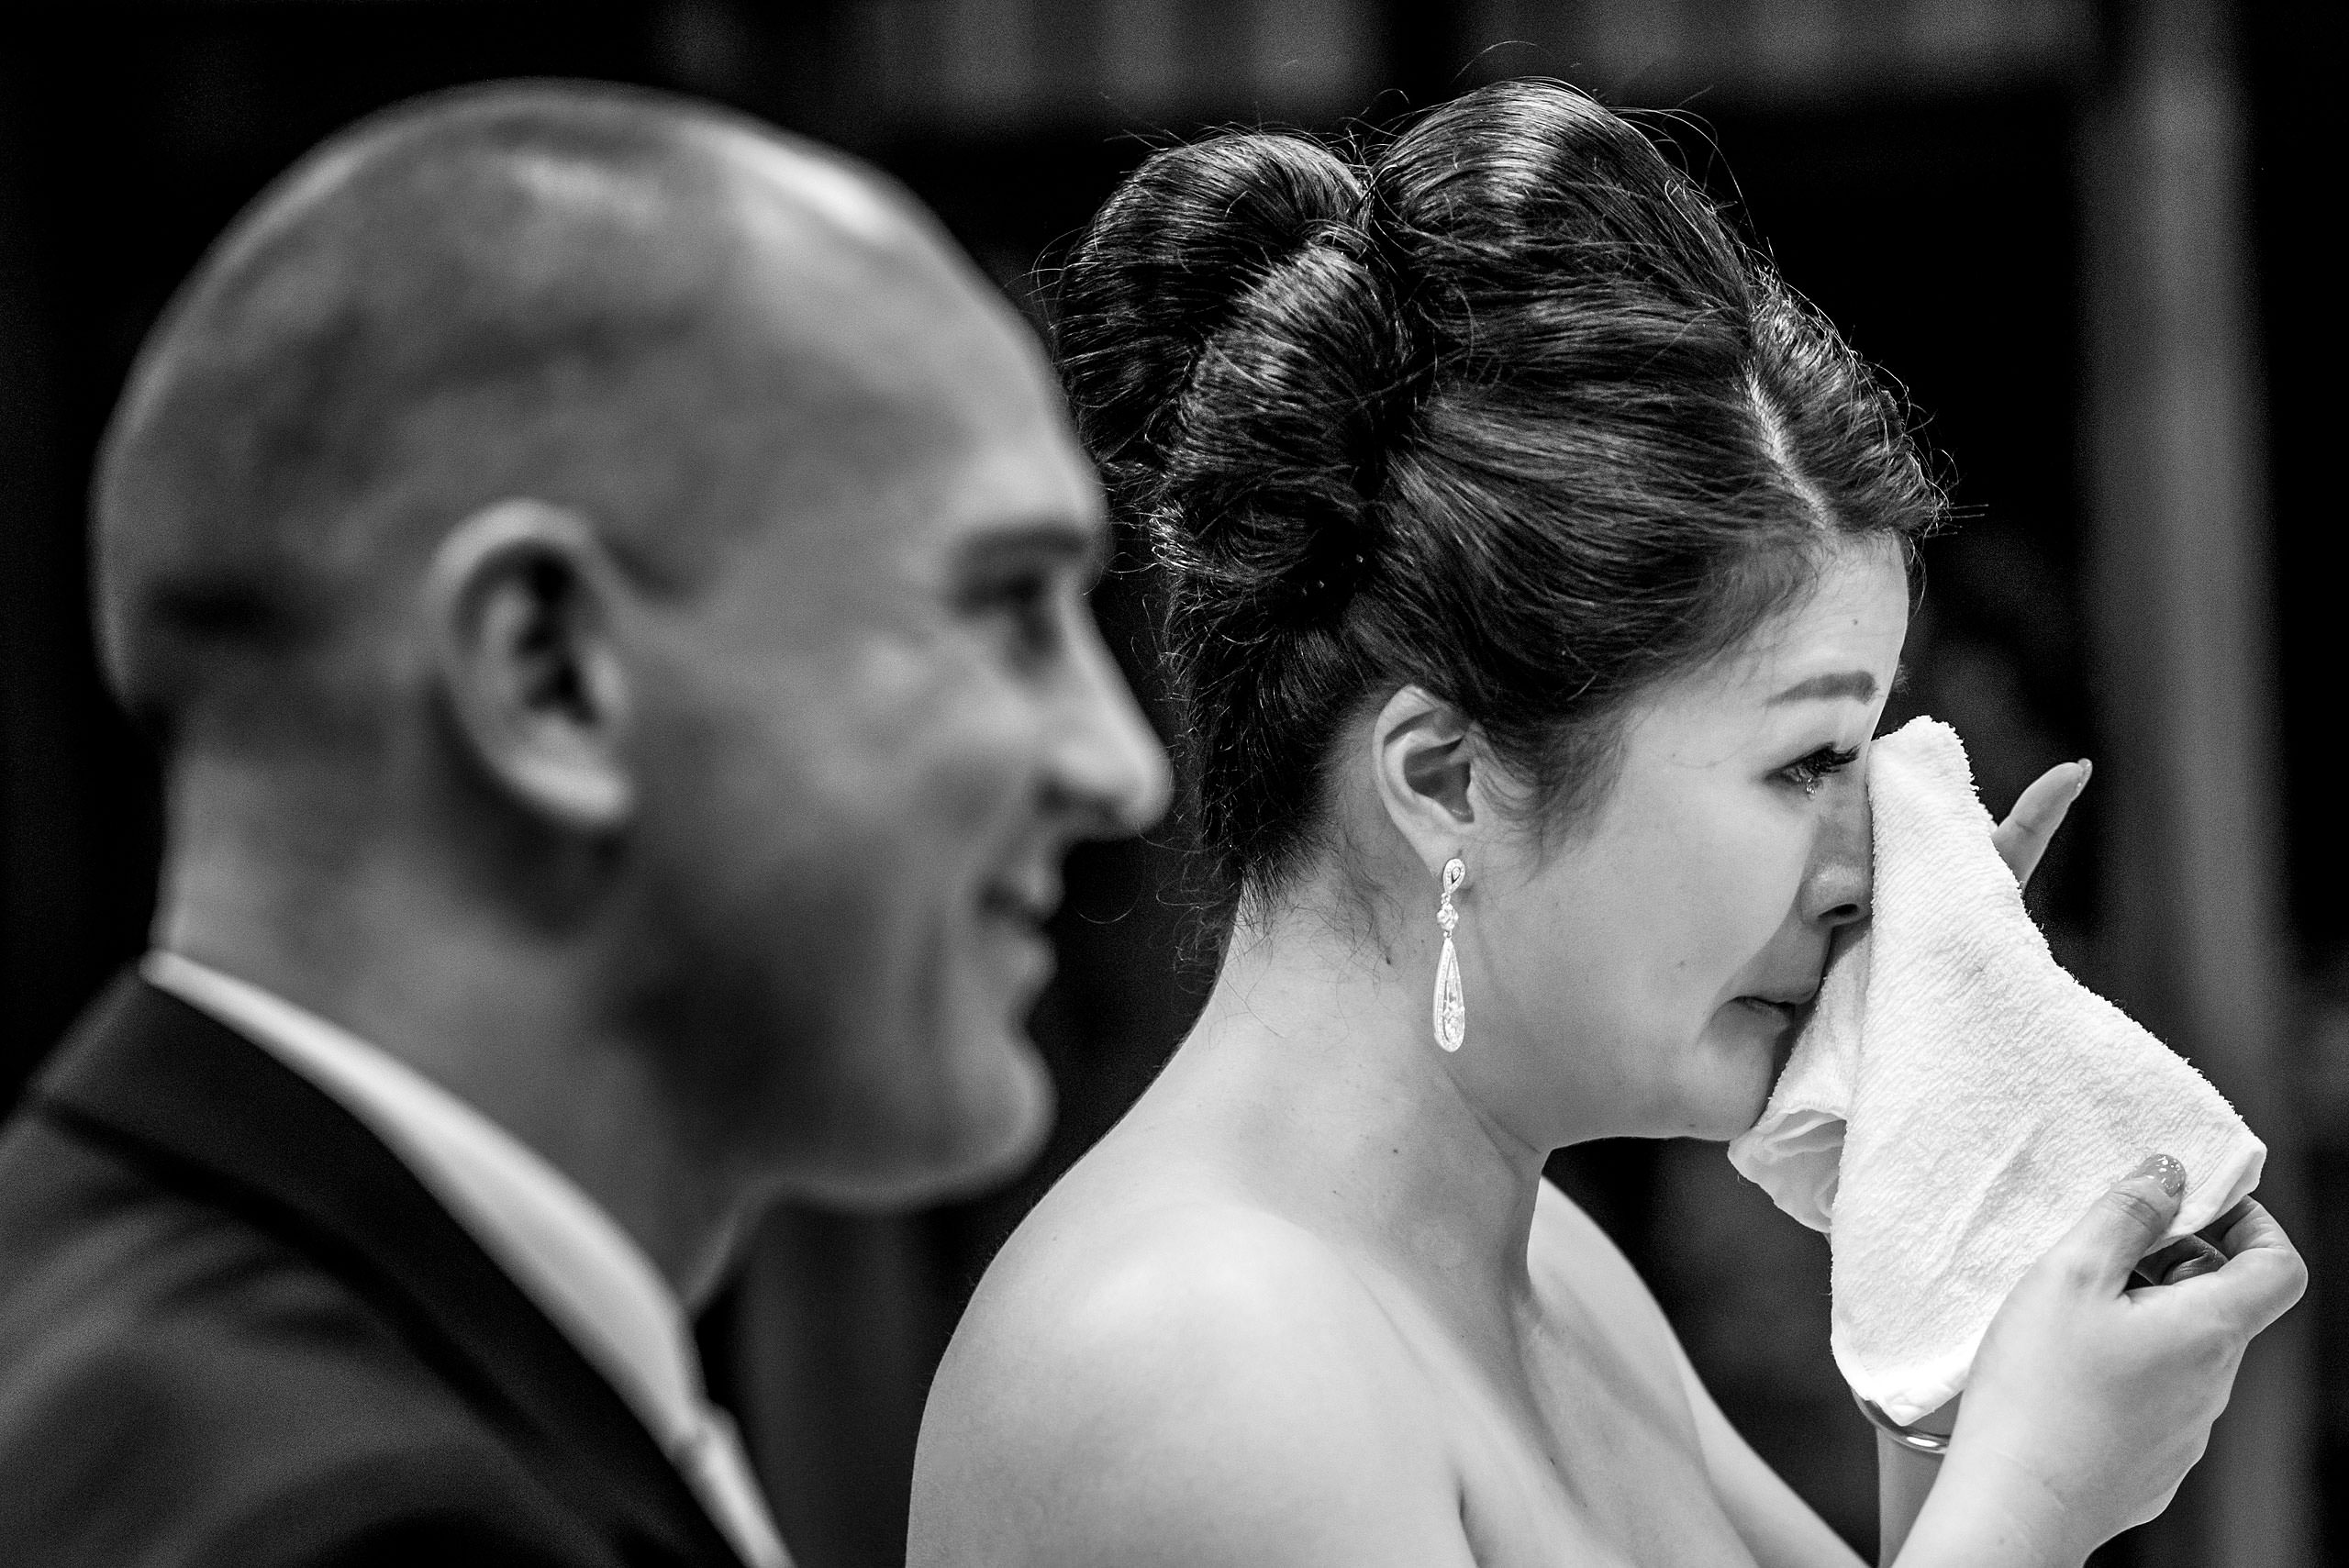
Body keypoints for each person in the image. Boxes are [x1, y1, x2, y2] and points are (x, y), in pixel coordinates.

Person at [908, 81, 2305, 1568]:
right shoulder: (1190, 1361)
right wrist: (2024, 1507)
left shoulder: (1549, 1269)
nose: (1882, 866)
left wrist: (1956, 1331)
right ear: (1447, 777)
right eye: (1806, 762)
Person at [0, 82, 1168, 1567]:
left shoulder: (114, 1320)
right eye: (1006, 605)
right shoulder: (360, 1526)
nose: (1121, 766)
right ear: (548, 673)